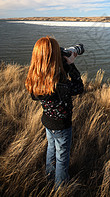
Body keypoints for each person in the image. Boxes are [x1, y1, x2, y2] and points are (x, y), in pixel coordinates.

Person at [25, 36, 84, 190]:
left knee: (51, 147)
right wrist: (71, 65)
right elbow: (78, 87)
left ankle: (49, 174)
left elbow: (49, 80)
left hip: (48, 121)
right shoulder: (60, 84)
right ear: (54, 57)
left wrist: (61, 64)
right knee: (62, 157)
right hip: (62, 126)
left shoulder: (38, 78)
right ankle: (61, 186)